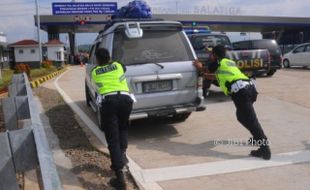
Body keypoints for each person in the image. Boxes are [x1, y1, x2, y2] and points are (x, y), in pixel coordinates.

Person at [193, 45, 271, 160]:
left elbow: (206, 70)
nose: (210, 57)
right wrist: (205, 76)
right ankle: (257, 138)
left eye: (211, 55)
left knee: (251, 120)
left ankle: (265, 149)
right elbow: (216, 76)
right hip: (250, 89)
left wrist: (200, 67)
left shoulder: (218, 62)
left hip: (241, 92)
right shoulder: (229, 62)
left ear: (214, 55)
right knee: (242, 117)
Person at [91, 48, 134, 189]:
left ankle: (120, 177)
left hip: (109, 102)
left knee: (112, 138)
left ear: (97, 59)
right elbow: (124, 69)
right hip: (125, 99)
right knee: (123, 128)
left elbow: (96, 85)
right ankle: (122, 155)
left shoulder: (95, 72)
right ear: (109, 57)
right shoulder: (118, 65)